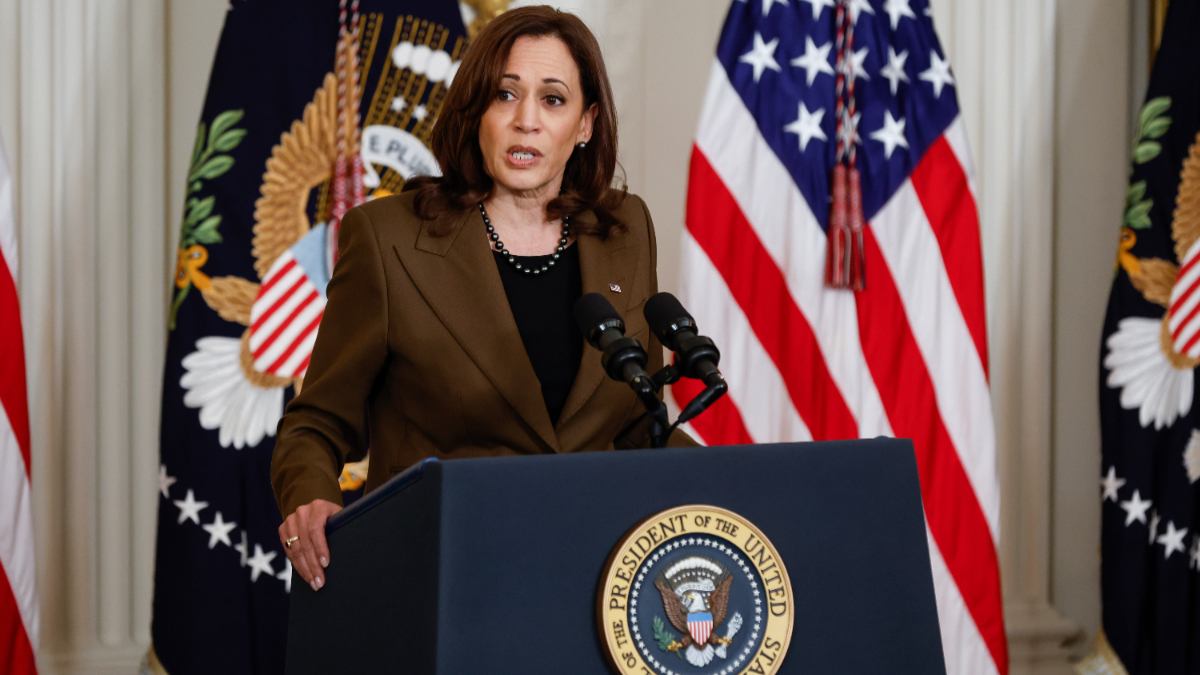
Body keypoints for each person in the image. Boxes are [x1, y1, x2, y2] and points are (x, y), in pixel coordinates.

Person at [271, 5, 696, 593]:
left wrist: (729, 484)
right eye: (504, 94)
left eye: (553, 99)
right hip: (441, 570)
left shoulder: (624, 228)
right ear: (476, 111)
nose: (526, 121)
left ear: (586, 123)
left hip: (596, 570)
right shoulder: (388, 237)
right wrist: (311, 502)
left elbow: (638, 423)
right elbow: (315, 423)